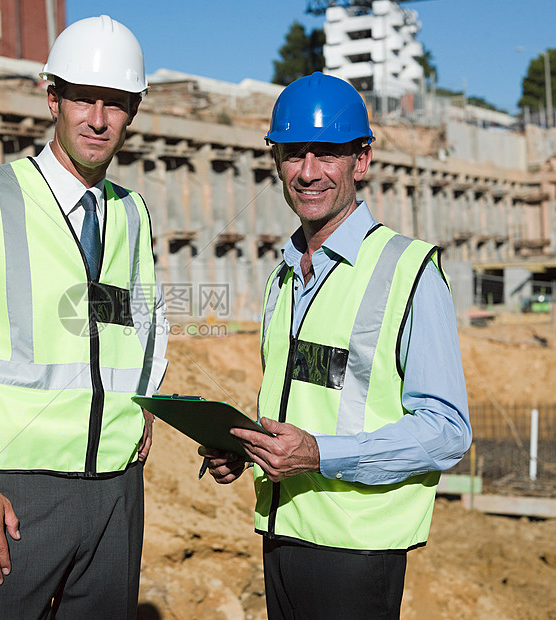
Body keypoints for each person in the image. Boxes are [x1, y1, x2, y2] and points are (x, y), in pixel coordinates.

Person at [0, 15, 168, 619]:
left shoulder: (132, 214)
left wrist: (144, 401)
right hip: (15, 494)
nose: (99, 119)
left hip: (117, 494)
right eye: (84, 99)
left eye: (118, 103)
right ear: (54, 99)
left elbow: (143, 323)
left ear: (134, 110)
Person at [200, 72, 471, 619]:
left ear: (361, 160)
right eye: (292, 154)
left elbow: (447, 432)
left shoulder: (410, 271)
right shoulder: (283, 277)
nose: (307, 172)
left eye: (326, 154)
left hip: (356, 550)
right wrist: (248, 447)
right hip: (282, 534)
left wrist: (319, 454)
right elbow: (316, 394)